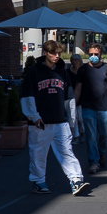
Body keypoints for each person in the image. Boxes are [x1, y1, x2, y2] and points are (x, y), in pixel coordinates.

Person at [21, 41, 89, 196]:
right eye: (53, 53)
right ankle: (38, 181)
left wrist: (71, 119)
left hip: (60, 120)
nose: (57, 56)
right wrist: (34, 116)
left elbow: (69, 97)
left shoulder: (62, 72)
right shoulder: (34, 71)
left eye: (59, 53)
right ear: (45, 52)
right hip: (40, 123)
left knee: (67, 152)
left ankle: (76, 180)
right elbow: (27, 95)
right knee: (38, 154)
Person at [75, 43, 107, 173]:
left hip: (104, 108)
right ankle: (94, 162)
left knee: (106, 135)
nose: (93, 56)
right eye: (90, 54)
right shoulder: (83, 69)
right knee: (91, 137)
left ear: (100, 54)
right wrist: (73, 107)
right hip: (88, 108)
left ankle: (101, 152)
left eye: (96, 54)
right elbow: (78, 89)